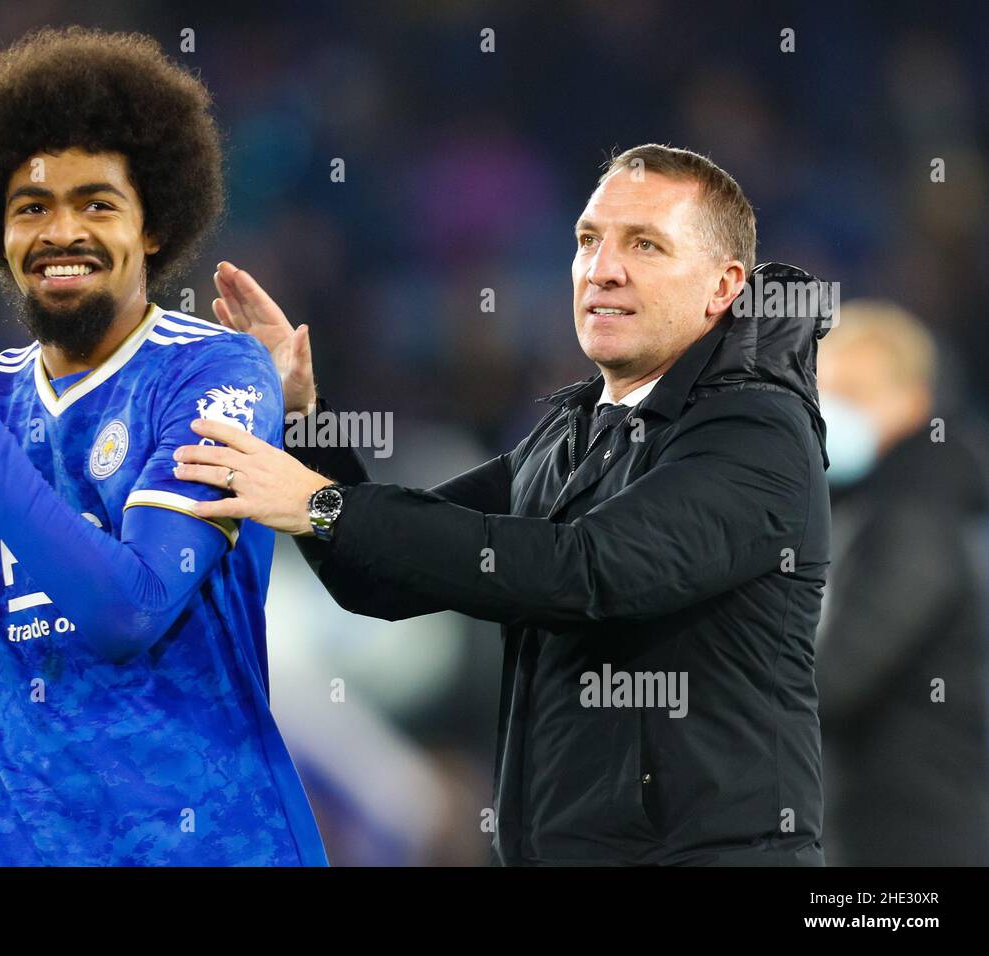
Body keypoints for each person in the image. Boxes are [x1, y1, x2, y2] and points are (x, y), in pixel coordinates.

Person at [174, 145, 832, 865]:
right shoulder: (573, 436)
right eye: (589, 240)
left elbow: (589, 571)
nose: (602, 268)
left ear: (722, 286)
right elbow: (381, 573)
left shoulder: (756, 431)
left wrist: (324, 504)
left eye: (645, 244)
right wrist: (304, 423)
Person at [0, 27, 326, 866]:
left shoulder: (215, 373)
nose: (62, 232)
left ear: (156, 227)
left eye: (97, 203)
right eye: (32, 208)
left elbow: (127, 610)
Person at [815, 300, 989, 865]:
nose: (831, 413)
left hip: (912, 833)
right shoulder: (868, 507)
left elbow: (838, 677)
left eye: (855, 394)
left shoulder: (912, 517)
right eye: (824, 395)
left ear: (914, 402)